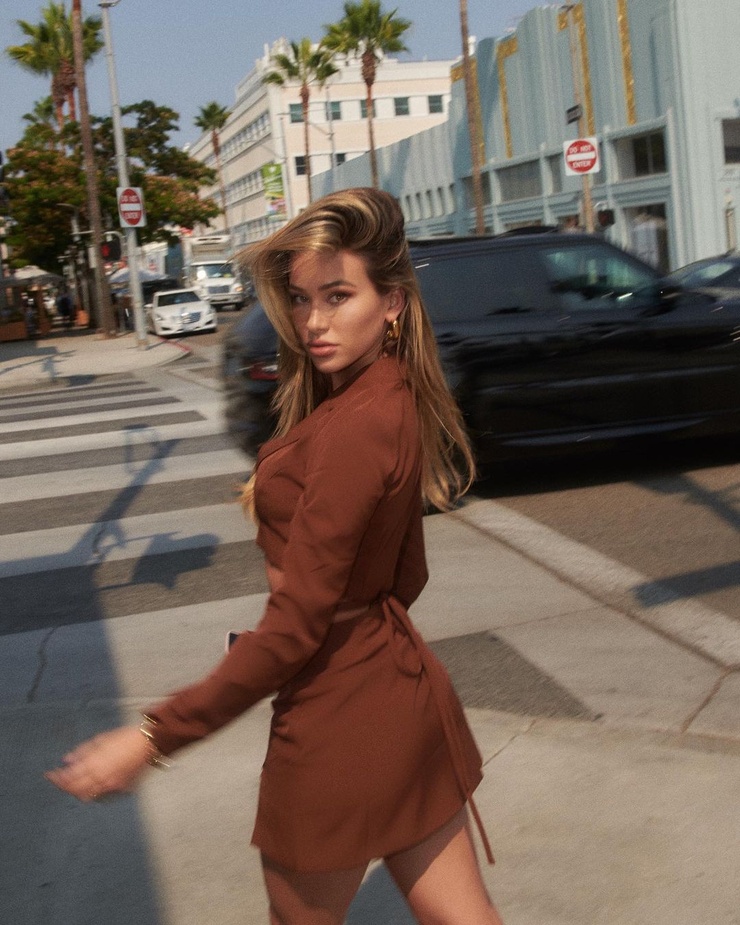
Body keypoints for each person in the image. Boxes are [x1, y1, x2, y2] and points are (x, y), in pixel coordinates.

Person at [46, 188, 505, 925]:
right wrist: (354, 621)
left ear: (392, 303)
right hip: (403, 696)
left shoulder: (354, 426)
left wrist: (152, 737)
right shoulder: (389, 396)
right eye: (300, 297)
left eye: (338, 296)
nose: (313, 320)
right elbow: (406, 574)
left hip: (334, 722)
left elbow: (295, 626)